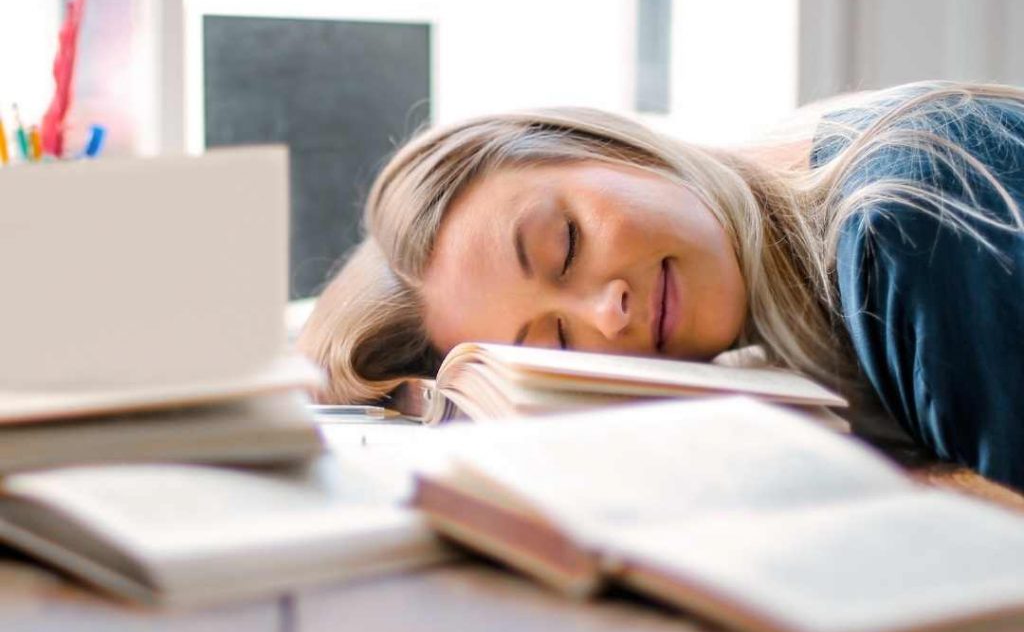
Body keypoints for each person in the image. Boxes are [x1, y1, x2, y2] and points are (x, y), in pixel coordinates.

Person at [298, 80, 1024, 491]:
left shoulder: (904, 231)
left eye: (567, 244)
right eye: (557, 344)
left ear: (605, 147)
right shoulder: (802, 226)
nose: (606, 314)